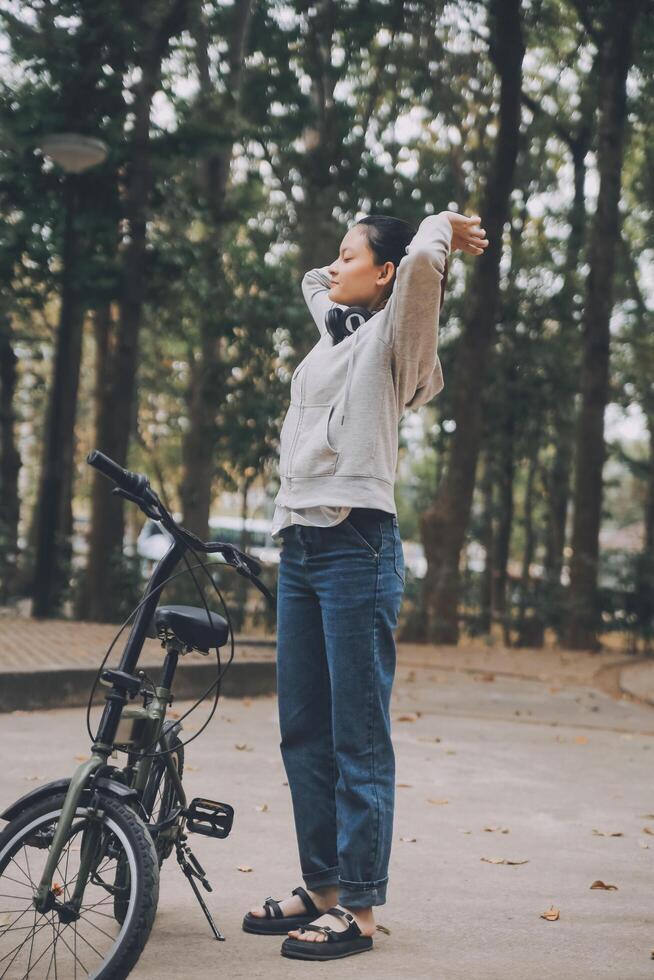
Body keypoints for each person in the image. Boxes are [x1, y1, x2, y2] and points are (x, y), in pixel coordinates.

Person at [242, 209, 489, 960]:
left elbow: (417, 272)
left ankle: (358, 909)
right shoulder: (334, 332)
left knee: (357, 737)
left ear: (383, 273)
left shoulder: (391, 340)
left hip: (357, 544)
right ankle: (320, 887)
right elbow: (315, 280)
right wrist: (345, 270)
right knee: (302, 731)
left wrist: (436, 227)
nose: (333, 262)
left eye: (352, 254)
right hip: (303, 546)